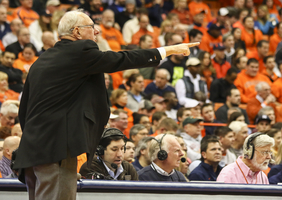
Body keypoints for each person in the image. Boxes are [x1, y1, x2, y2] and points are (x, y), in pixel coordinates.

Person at [13, 10, 197, 200]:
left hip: (32, 148)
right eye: (92, 28)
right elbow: (120, 59)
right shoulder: (80, 51)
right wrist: (167, 50)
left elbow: (24, 108)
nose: (97, 32)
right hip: (56, 148)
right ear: (76, 32)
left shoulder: (41, 60)